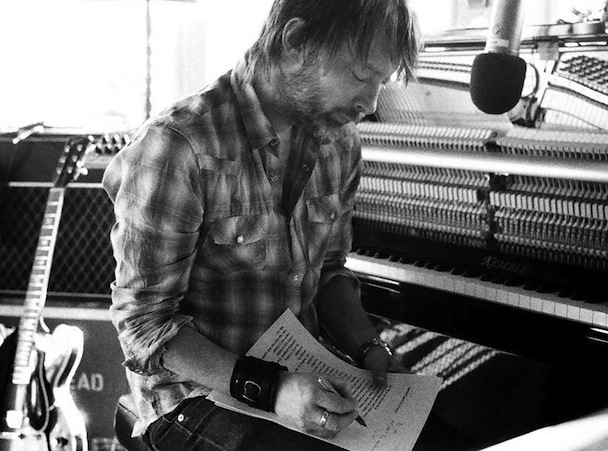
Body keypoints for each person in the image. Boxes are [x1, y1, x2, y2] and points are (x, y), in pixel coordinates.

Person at [102, 0, 422, 449]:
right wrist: (271, 388)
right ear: (295, 42)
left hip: (301, 382)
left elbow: (329, 273)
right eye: (360, 75)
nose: (370, 104)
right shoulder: (177, 146)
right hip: (194, 396)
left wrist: (370, 348)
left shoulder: (340, 142)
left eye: (381, 83)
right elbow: (143, 326)